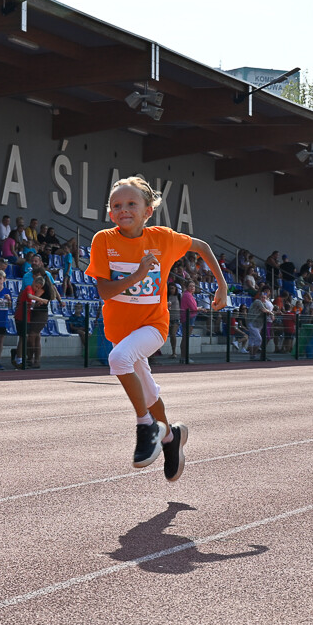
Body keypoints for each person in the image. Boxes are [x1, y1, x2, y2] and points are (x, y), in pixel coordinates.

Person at [87, 175, 227, 484]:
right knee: (148, 392)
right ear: (110, 213)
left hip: (153, 326)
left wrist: (222, 285)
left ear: (148, 211)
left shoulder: (163, 238)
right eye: (116, 205)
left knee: (118, 359)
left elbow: (202, 246)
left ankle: (146, 425)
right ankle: (171, 437)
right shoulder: (104, 240)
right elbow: (105, 291)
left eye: (131, 204)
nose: (124, 209)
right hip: (121, 332)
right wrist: (137, 275)